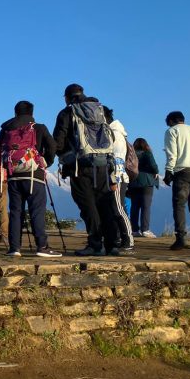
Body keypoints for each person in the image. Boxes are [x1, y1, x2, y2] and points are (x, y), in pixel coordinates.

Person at [0, 101, 61, 257]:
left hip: (13, 175)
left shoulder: (7, 129)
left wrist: (4, 166)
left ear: (15, 112)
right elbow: (52, 145)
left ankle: (14, 248)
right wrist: (47, 161)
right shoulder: (39, 128)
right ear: (32, 113)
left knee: (16, 212)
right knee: (36, 211)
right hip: (33, 175)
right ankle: (42, 247)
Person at [53, 84, 112, 256]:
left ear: (67, 97)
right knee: (104, 203)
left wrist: (59, 155)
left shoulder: (67, 112)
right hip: (102, 164)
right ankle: (111, 244)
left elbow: (59, 140)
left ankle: (95, 244)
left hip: (79, 166)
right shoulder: (99, 109)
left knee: (88, 205)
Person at [163, 111, 190, 250]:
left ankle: (180, 239)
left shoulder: (172, 131)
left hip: (183, 173)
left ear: (172, 120)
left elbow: (172, 153)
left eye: (167, 121)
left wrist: (169, 171)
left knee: (179, 205)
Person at [102, 107, 134, 255]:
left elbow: (117, 159)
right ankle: (119, 239)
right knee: (113, 209)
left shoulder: (115, 134)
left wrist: (114, 179)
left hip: (117, 177)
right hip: (116, 177)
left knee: (118, 209)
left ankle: (128, 240)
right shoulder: (116, 132)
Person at [129, 138, 159, 238]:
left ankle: (134, 230)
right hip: (147, 181)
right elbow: (154, 166)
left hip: (133, 181)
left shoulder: (131, 154)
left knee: (135, 206)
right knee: (146, 206)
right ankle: (145, 230)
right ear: (146, 144)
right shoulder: (147, 153)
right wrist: (155, 172)